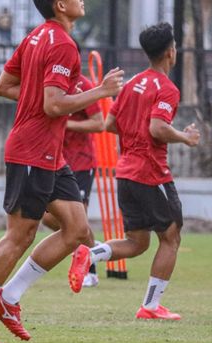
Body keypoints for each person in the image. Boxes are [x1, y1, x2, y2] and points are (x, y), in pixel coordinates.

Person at [0, 0, 124, 343]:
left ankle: (9, 297)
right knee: (19, 236)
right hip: (32, 150)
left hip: (50, 153)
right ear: (61, 5)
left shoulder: (35, 37)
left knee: (77, 229)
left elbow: (4, 85)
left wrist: (39, 98)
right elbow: (53, 104)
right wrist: (100, 91)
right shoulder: (61, 44)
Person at [76, 22, 200, 320]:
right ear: (171, 52)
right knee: (171, 237)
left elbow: (109, 125)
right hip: (151, 173)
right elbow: (157, 127)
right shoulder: (167, 89)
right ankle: (151, 307)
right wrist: (185, 137)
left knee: (137, 242)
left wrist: (132, 139)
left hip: (125, 173)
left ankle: (89, 254)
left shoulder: (132, 84)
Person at [42, 40, 105, 288]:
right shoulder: (52, 83)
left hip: (81, 162)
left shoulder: (83, 85)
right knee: (49, 218)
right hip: (55, 161)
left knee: (79, 219)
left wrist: (66, 124)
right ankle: (93, 246)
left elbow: (99, 123)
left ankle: (90, 269)